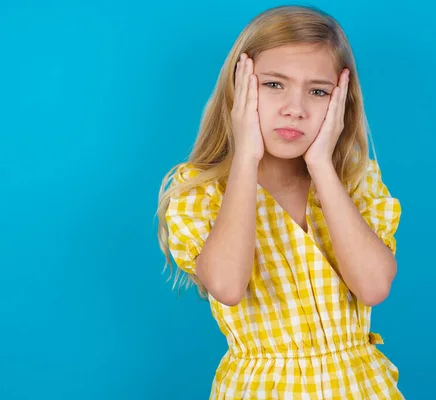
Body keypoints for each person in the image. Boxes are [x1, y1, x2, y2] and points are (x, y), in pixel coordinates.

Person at [156, 5, 404, 399]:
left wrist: (322, 164)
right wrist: (246, 158)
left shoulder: (354, 182)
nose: (295, 108)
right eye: (274, 85)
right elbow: (226, 285)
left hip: (360, 386)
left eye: (318, 91)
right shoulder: (200, 191)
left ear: (341, 103)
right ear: (239, 89)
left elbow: (373, 286)